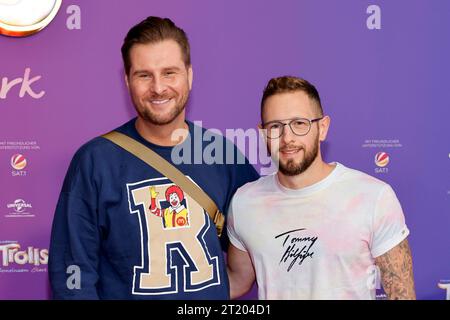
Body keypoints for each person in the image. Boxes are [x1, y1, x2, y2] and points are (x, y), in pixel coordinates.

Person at [49, 16, 258, 299]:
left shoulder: (222, 156)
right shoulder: (94, 162)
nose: (158, 88)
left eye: (169, 72)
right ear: (127, 81)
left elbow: (263, 237)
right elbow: (72, 275)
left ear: (190, 75)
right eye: (144, 75)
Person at [226, 76, 415, 300]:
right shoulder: (245, 202)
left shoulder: (373, 197)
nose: (287, 138)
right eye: (275, 126)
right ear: (263, 132)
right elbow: (237, 280)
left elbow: (401, 295)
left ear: (322, 128)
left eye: (299, 124)